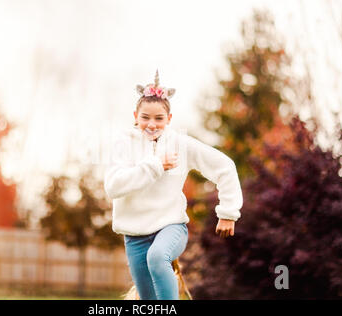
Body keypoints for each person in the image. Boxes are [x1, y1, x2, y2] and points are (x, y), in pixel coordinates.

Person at [104, 70, 243, 300]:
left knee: (158, 258)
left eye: (159, 118)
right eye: (145, 117)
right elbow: (113, 186)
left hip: (171, 228)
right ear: (135, 116)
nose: (152, 124)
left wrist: (228, 212)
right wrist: (155, 165)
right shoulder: (123, 145)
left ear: (168, 119)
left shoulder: (180, 143)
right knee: (148, 301)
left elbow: (224, 166)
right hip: (134, 236)